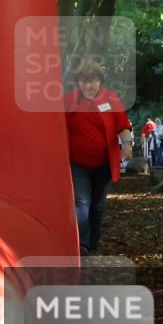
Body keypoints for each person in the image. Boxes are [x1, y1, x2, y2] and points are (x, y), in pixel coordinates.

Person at [64, 59, 133, 255]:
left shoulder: (111, 100)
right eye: (84, 81)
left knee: (98, 205)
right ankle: (82, 245)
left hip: (103, 163)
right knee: (82, 202)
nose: (88, 85)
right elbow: (54, 125)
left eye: (92, 81)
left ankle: (92, 244)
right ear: (78, 83)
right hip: (77, 163)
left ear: (100, 81)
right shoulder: (68, 100)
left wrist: (127, 144)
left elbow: (123, 125)